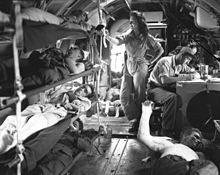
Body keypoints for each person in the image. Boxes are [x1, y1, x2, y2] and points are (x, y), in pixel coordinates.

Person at [105, 10, 164, 132]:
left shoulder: (146, 37)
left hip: (140, 66)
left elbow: (160, 50)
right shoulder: (128, 35)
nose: (131, 24)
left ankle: (143, 122)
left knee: (139, 96)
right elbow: (117, 42)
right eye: (130, 22)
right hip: (128, 66)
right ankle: (136, 118)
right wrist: (107, 36)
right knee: (123, 96)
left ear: (139, 23)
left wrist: (151, 61)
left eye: (133, 22)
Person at [0, 83, 94, 155]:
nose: (82, 89)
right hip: (43, 106)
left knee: (28, 127)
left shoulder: (86, 102)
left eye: (85, 91)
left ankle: (2, 146)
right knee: (13, 119)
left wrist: (70, 97)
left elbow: (80, 108)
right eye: (83, 86)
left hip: (54, 113)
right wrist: (61, 90)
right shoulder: (67, 88)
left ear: (86, 96)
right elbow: (48, 98)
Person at [137, 101, 219, 175]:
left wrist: (146, 110)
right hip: (189, 155)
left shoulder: (169, 151)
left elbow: (144, 137)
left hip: (180, 153)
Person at [147, 46, 200, 136]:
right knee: (172, 98)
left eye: (189, 60)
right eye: (187, 59)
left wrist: (194, 74)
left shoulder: (181, 65)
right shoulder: (165, 61)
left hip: (165, 89)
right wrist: (186, 77)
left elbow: (196, 73)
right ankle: (167, 130)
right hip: (154, 89)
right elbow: (165, 80)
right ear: (181, 55)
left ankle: (179, 125)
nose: (188, 62)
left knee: (183, 95)